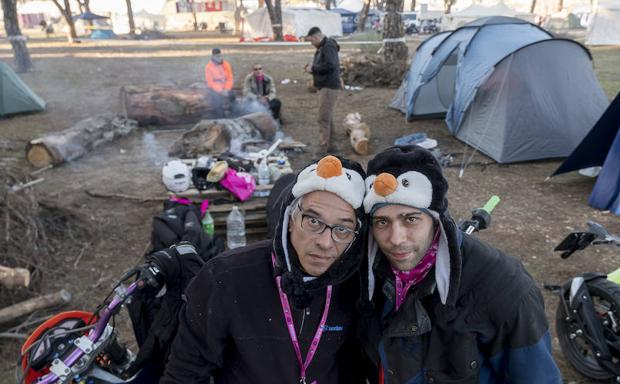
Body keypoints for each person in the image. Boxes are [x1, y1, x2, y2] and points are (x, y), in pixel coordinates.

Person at [359, 146, 562, 384]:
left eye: (411, 219)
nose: (396, 239)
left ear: (435, 219)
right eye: (382, 221)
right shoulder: (369, 273)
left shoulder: (506, 289)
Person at [161, 155, 369, 384]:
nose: (325, 242)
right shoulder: (226, 278)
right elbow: (183, 376)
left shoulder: (353, 286)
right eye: (313, 221)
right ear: (290, 217)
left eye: (342, 229)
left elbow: (352, 369)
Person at [305, 27, 341, 154]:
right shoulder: (323, 47)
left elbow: (331, 65)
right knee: (328, 117)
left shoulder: (328, 46)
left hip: (329, 86)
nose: (311, 44)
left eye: (311, 41)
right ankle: (333, 146)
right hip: (325, 86)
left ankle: (323, 147)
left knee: (323, 118)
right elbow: (326, 64)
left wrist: (313, 69)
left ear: (315, 37)